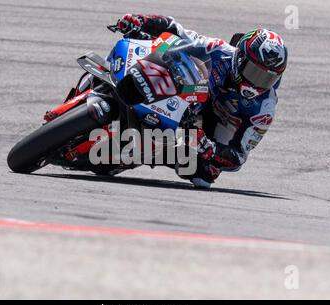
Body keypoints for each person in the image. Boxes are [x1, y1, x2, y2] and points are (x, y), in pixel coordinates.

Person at [116, 14, 288, 188]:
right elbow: (177, 30)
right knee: (171, 52)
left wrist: (211, 149)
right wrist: (142, 21)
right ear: (240, 58)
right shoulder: (219, 50)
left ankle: (151, 150)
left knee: (204, 176)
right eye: (254, 72)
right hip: (193, 98)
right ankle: (132, 91)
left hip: (218, 126)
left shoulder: (264, 108)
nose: (256, 83)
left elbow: (239, 156)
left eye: (267, 78)